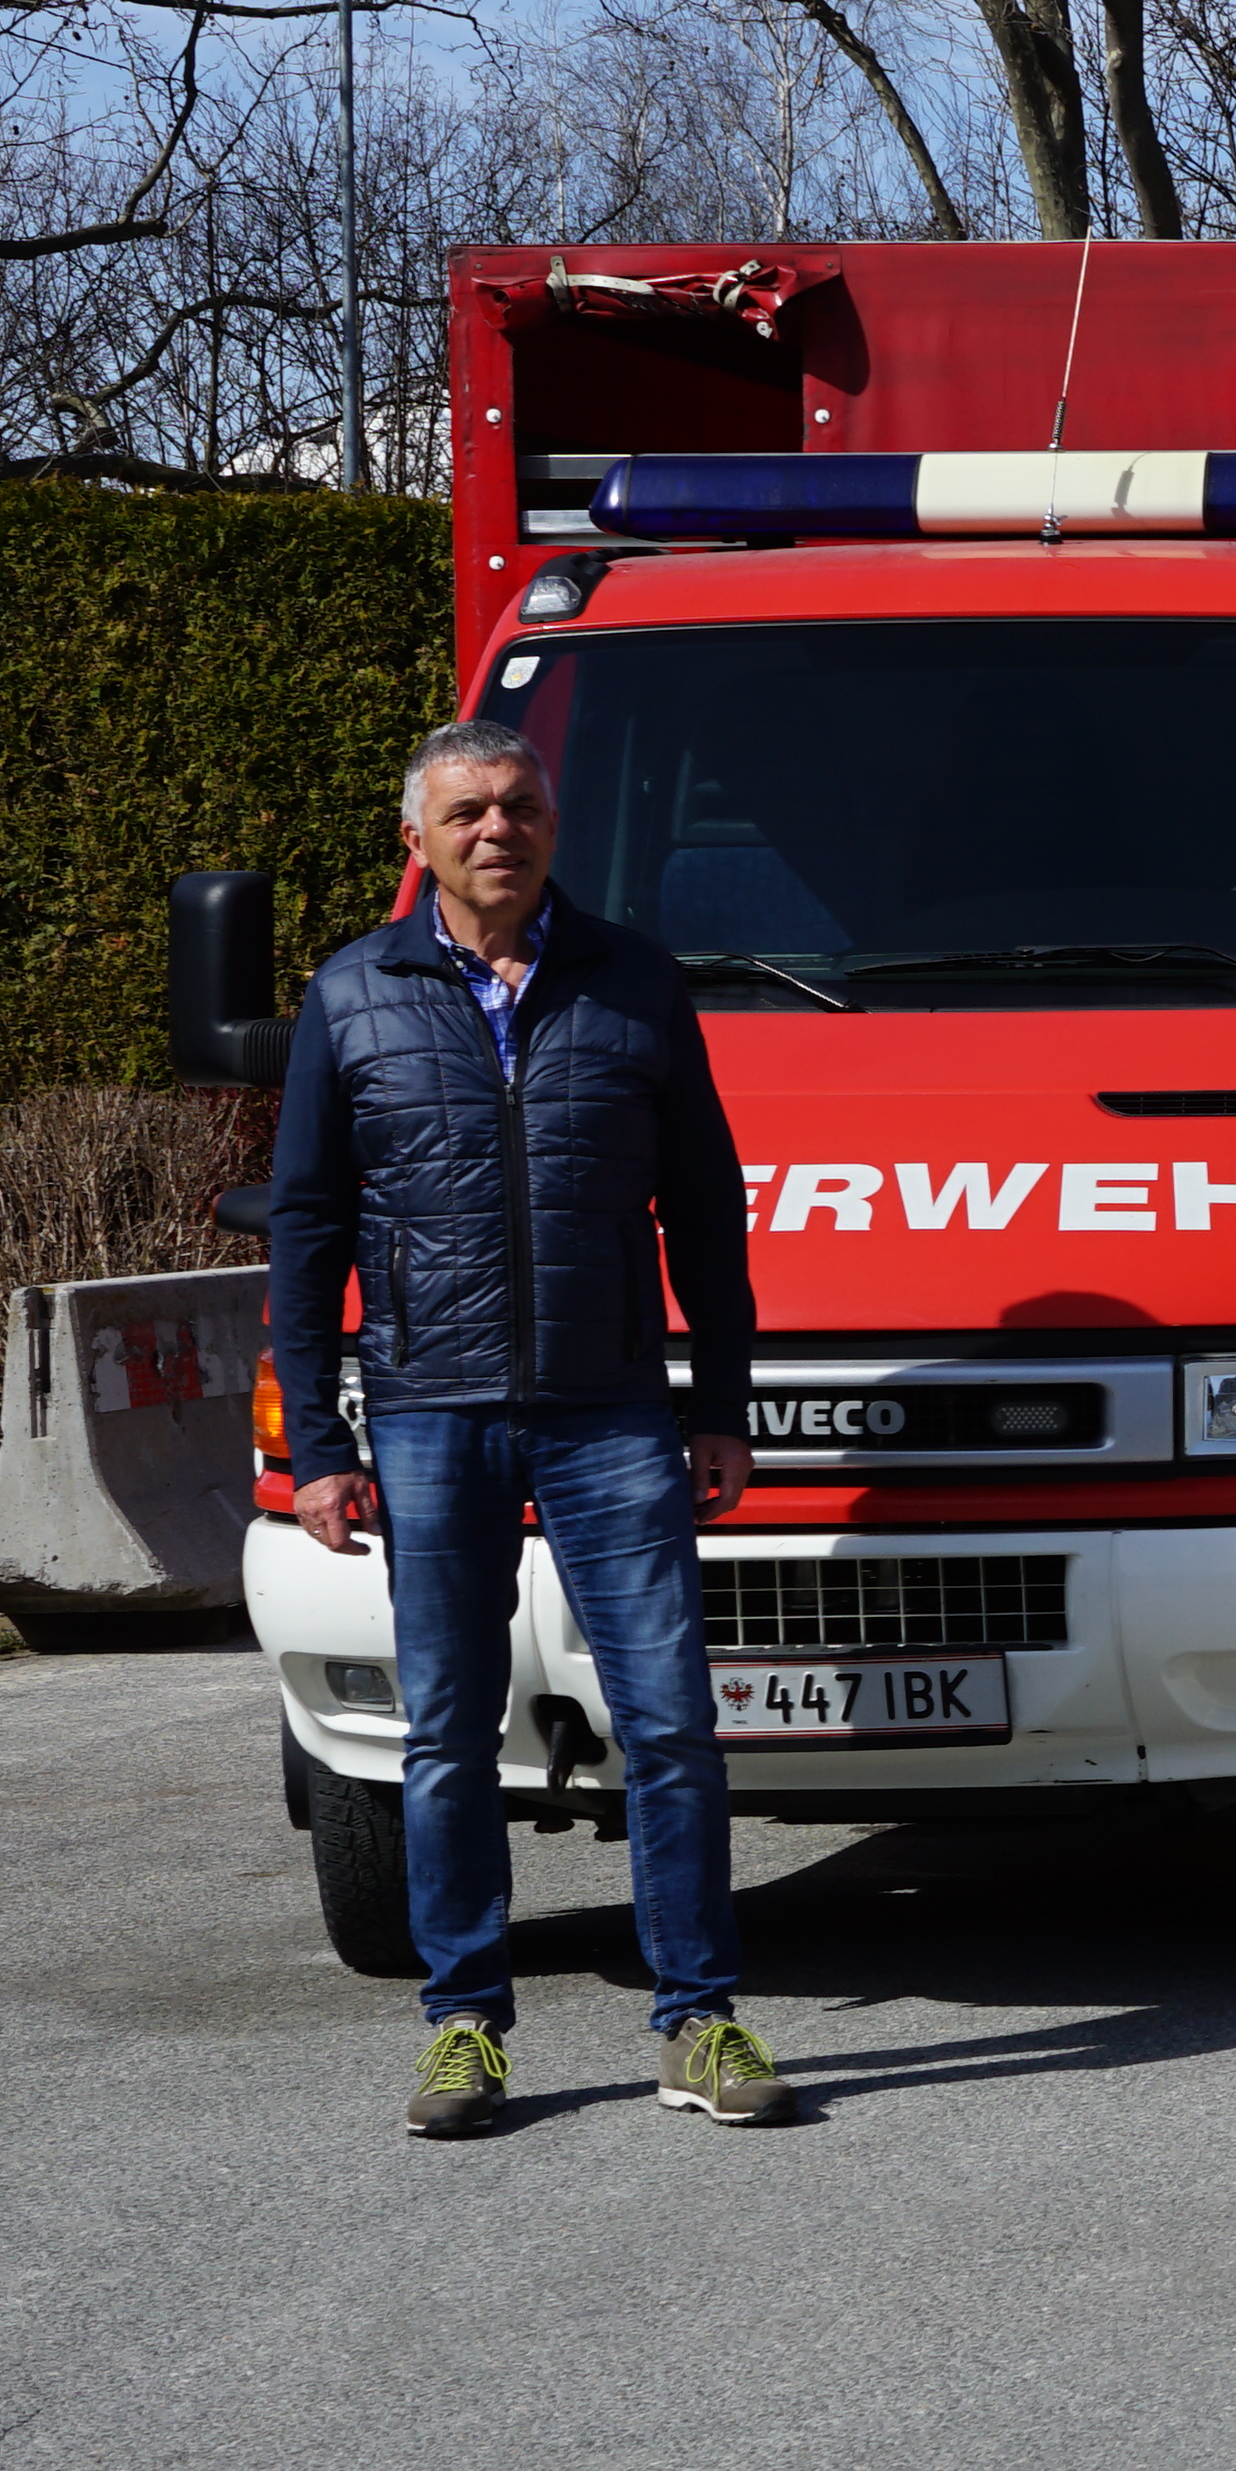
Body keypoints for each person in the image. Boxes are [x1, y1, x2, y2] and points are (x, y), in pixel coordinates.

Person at [272, 719, 799, 2137]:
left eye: (518, 806)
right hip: (432, 1412)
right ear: (418, 840)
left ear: (552, 826)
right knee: (446, 1733)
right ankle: (464, 2028)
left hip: (613, 1411)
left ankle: (699, 2019)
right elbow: (308, 1223)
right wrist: (321, 1446)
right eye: (466, 812)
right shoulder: (353, 993)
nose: (495, 829)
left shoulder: (635, 983)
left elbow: (705, 1206)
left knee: (673, 1726)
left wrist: (725, 1407)